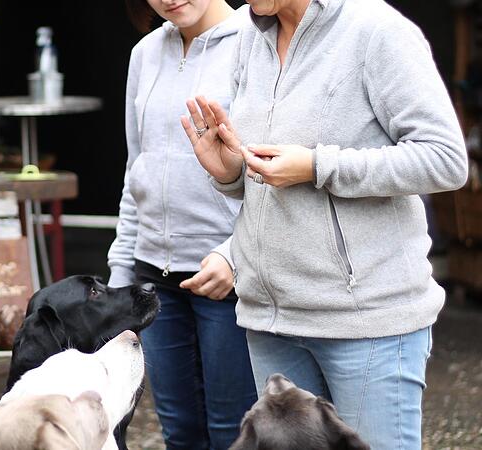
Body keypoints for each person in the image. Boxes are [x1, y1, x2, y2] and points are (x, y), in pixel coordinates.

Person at [181, 0, 469, 448]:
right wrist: (230, 172)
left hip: (366, 321)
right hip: (270, 320)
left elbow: (445, 161)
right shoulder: (249, 38)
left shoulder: (377, 30)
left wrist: (320, 166)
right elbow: (268, 174)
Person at [108, 1, 257, 448]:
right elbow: (138, 171)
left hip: (228, 277)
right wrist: (121, 278)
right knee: (179, 432)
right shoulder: (146, 52)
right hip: (155, 279)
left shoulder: (258, 41)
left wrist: (238, 254)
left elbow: (272, 174)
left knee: (235, 432)